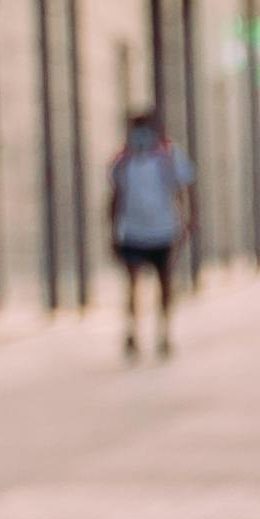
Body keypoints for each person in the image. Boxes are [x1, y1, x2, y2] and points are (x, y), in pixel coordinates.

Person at [106, 106, 191, 358]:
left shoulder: (168, 155)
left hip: (163, 230)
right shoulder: (122, 160)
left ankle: (164, 333)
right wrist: (112, 229)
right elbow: (114, 196)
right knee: (132, 284)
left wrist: (187, 220)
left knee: (164, 282)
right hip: (132, 230)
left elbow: (184, 187)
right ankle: (132, 332)